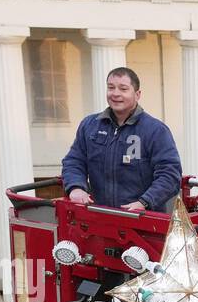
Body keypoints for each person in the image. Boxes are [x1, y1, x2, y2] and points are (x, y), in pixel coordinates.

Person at [61, 67, 181, 213]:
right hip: (97, 217)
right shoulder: (89, 125)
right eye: (111, 88)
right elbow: (74, 160)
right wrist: (75, 187)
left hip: (142, 221)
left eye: (123, 89)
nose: (115, 93)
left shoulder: (155, 131)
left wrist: (145, 202)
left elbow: (170, 174)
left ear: (137, 95)